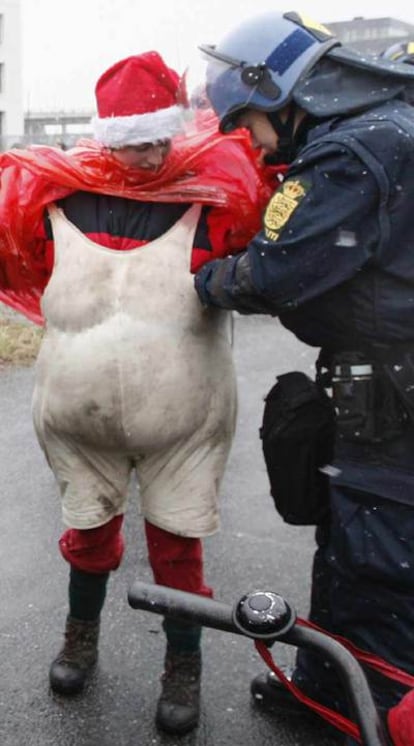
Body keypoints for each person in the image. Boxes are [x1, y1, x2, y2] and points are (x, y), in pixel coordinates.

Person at [0, 51, 273, 736]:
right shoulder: (53, 198)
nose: (150, 152)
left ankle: (184, 666)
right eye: (133, 138)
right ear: (108, 138)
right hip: (77, 426)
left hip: (184, 429)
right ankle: (79, 636)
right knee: (87, 534)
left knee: (178, 547)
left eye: (159, 135)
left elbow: (260, 259)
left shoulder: (211, 201)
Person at [193, 10, 414, 745]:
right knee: (347, 533)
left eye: (251, 121)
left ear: (282, 90)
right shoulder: (394, 119)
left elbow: (275, 273)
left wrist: (207, 280)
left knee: (376, 555)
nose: (252, 141)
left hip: (391, 395)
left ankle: (372, 714)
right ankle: (323, 681)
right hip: (385, 384)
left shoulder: (353, 152)